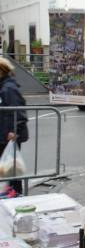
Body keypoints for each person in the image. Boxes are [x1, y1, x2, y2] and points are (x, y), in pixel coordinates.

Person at [0, 57, 28, 195]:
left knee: (11, 168)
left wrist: (14, 131)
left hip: (9, 135)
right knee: (7, 168)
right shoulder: (3, 86)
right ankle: (11, 193)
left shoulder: (8, 88)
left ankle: (16, 194)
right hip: (3, 134)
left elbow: (19, 112)